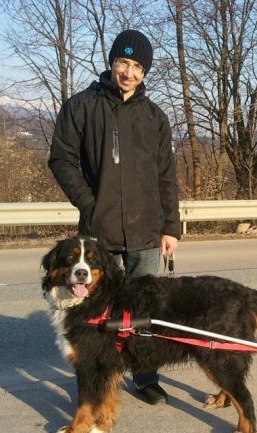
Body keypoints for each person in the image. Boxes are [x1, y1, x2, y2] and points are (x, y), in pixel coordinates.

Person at [48, 29, 180, 406]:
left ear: (145, 72)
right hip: (99, 237)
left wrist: (171, 226)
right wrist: (89, 205)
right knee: (98, 313)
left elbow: (166, 174)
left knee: (143, 314)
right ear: (111, 63)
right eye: (123, 62)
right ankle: (101, 377)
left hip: (146, 233)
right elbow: (61, 159)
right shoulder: (81, 106)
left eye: (138, 66)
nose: (129, 72)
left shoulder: (154, 117)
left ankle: (146, 377)